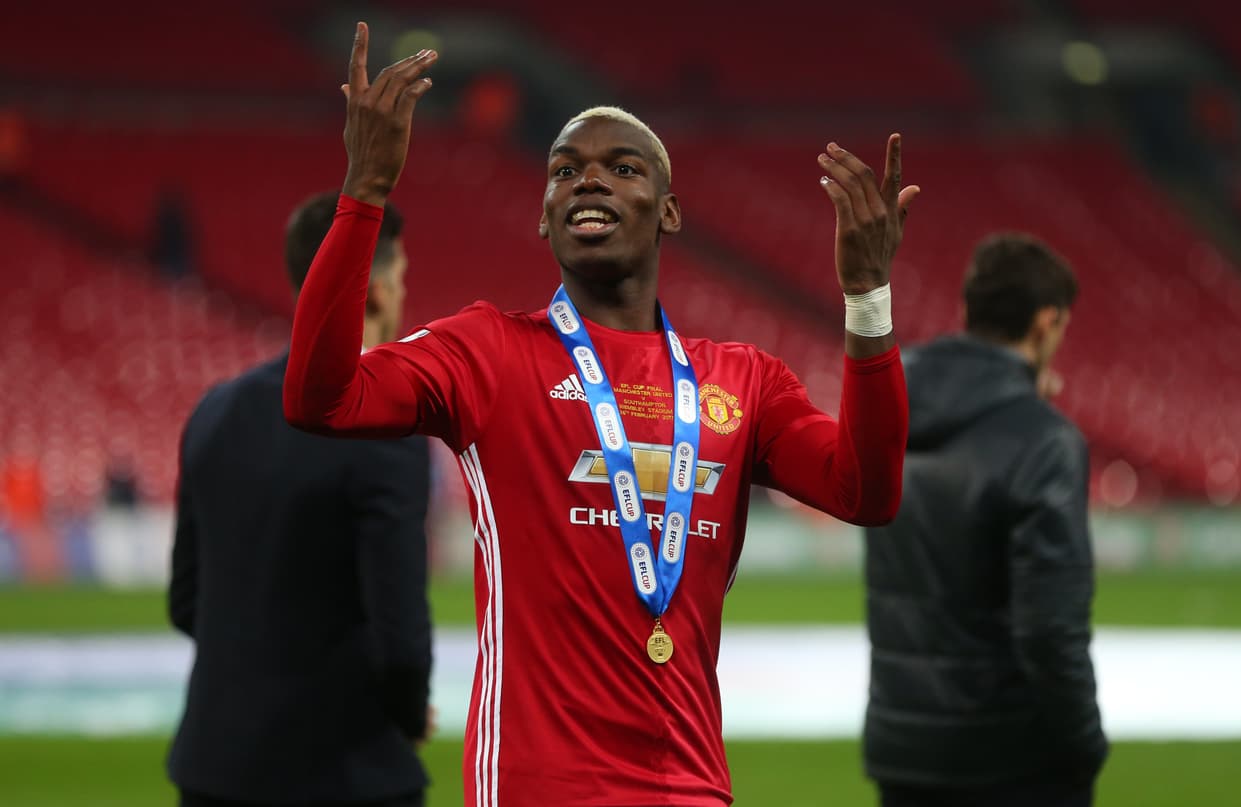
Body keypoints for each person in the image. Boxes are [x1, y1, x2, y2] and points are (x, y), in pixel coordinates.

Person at [284, 22, 916, 806]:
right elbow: (320, 398)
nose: (588, 182)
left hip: (689, 786)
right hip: (537, 787)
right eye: (564, 171)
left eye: (622, 168)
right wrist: (365, 192)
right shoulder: (485, 352)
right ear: (545, 216)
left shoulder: (743, 382)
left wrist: (867, 298)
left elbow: (868, 491)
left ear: (670, 212)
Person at [168, 191, 434, 807]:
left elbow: (187, 602)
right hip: (344, 771)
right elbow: (400, 637)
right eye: (399, 273)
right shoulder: (384, 427)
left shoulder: (214, 411)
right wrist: (408, 710)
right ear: (377, 285)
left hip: (213, 769)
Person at [863, 233, 1108, 807]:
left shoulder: (888, 407)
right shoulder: (1044, 442)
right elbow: (1051, 631)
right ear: (1046, 324)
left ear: (969, 312)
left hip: (904, 750)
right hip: (1013, 759)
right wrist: (1084, 744)